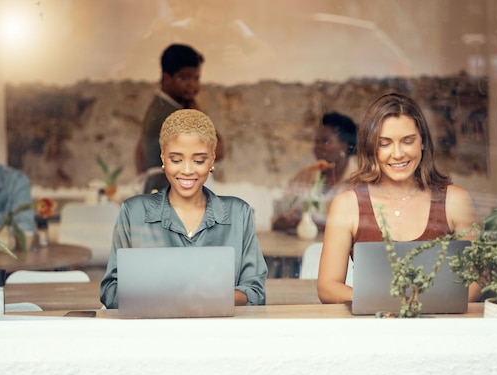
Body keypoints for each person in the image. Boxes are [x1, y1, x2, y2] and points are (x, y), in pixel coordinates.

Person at [317, 93, 480, 304]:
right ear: (371, 148)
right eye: (384, 143)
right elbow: (327, 288)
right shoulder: (347, 205)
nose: (397, 154)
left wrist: (423, 304)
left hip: (440, 329)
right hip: (373, 328)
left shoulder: (455, 200)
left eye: (407, 141)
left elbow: (476, 280)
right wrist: (389, 301)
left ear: (422, 142)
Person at [101, 109, 267, 308]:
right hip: (154, 334)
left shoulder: (238, 214)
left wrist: (209, 298)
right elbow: (111, 292)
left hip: (219, 334)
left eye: (199, 160)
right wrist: (180, 297)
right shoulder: (134, 212)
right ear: (162, 157)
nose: (187, 170)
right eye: (176, 160)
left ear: (212, 159)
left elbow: (255, 292)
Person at [135, 43, 223, 194]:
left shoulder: (159, 107)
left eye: (196, 78)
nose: (192, 85)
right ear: (167, 78)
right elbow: (218, 151)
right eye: (184, 78)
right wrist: (197, 114)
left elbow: (139, 153)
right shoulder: (173, 114)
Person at [272, 112, 358, 232]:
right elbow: (279, 215)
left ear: (343, 146)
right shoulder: (303, 176)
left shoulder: (360, 180)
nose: (318, 146)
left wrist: (318, 225)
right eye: (316, 141)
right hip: (300, 249)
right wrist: (283, 221)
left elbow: (358, 226)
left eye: (325, 141)